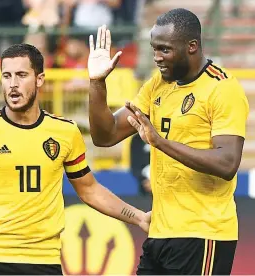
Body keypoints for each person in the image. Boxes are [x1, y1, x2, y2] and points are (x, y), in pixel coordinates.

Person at [0, 43, 152, 275]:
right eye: (7, 76)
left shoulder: (65, 132)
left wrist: (138, 217)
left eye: (21, 75)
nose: (13, 84)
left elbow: (89, 189)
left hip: (43, 262)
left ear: (40, 79)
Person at [87, 8, 249, 275]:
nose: (157, 58)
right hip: (159, 231)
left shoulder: (222, 88)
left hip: (204, 234)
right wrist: (96, 82)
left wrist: (160, 142)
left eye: (165, 50)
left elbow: (227, 162)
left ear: (192, 46)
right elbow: (105, 136)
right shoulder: (157, 85)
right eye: (154, 49)